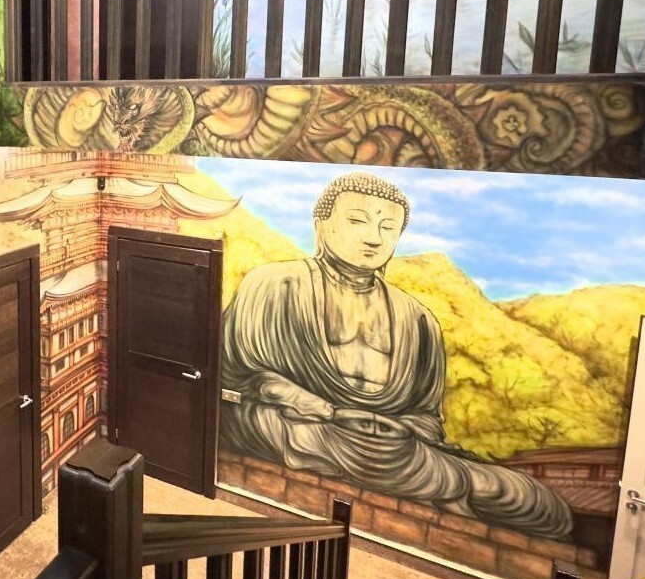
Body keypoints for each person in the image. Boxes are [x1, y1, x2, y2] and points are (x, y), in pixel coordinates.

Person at [220, 172, 573, 540]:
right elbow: (241, 376)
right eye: (357, 220)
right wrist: (328, 411)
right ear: (322, 226)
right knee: (273, 429)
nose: (373, 237)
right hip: (301, 427)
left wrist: (393, 428)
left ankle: (430, 483)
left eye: (388, 227)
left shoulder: (417, 319)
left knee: (528, 498)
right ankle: (433, 489)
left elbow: (427, 417)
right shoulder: (274, 284)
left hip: (390, 448)